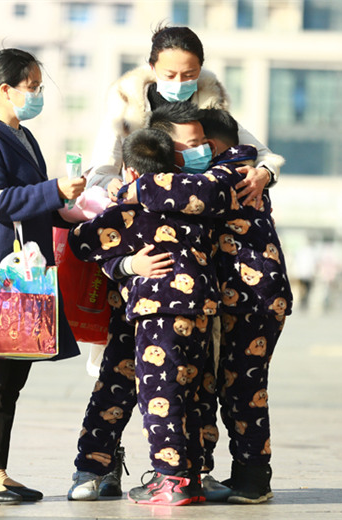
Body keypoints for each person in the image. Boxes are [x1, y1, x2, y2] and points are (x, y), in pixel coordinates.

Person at [124, 105, 292, 503]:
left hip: (253, 300)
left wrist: (135, 188)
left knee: (244, 389)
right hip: (239, 298)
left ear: (213, 147)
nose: (187, 154)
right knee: (230, 387)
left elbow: (194, 194)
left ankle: (253, 478)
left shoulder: (232, 172)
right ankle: (234, 474)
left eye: (196, 144)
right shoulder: (229, 170)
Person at [0, 48, 86, 506]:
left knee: (12, 377)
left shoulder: (22, 136)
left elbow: (34, 201)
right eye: (33, 87)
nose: (38, 95)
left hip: (27, 269)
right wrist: (53, 190)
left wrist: (72, 204)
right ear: (5, 90)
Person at [69, 127, 222, 506]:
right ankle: (192, 474)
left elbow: (81, 241)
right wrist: (127, 265)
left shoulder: (128, 213)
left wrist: (122, 264)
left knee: (159, 394)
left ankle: (168, 479)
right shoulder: (195, 204)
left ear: (132, 172)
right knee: (191, 393)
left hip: (155, 316)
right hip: (199, 313)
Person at [86, 24, 281, 211]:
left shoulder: (210, 109)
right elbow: (99, 172)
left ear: (200, 69)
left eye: (189, 74)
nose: (179, 83)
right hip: (140, 215)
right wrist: (111, 184)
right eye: (170, 75)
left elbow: (264, 156)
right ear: (152, 67)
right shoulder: (126, 112)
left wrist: (263, 174)